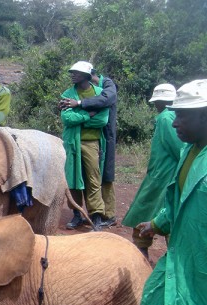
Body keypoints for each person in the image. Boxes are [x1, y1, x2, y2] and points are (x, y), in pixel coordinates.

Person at [135, 79, 207, 305]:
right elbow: (175, 201)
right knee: (156, 302)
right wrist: (156, 224)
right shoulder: (189, 152)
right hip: (181, 253)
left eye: (184, 117)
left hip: (202, 258)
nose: (173, 122)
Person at [121, 83, 183, 259]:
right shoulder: (170, 116)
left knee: (147, 209)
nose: (155, 105)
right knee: (154, 210)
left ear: (162, 101)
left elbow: (180, 150)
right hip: (161, 173)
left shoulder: (166, 118)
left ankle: (144, 256)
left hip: (164, 176)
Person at [59, 61, 110, 230]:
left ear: (87, 76)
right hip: (72, 142)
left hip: (92, 143)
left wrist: (79, 116)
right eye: (71, 72)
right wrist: (88, 115)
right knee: (72, 179)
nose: (72, 75)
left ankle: (96, 216)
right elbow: (67, 119)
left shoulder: (100, 94)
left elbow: (102, 120)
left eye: (76, 72)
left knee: (93, 179)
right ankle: (76, 214)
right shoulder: (68, 94)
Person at [81, 68, 118, 227]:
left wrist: (81, 104)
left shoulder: (108, 84)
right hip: (95, 137)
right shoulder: (91, 88)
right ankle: (96, 212)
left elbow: (106, 99)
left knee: (106, 175)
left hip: (106, 136)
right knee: (92, 175)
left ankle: (109, 215)